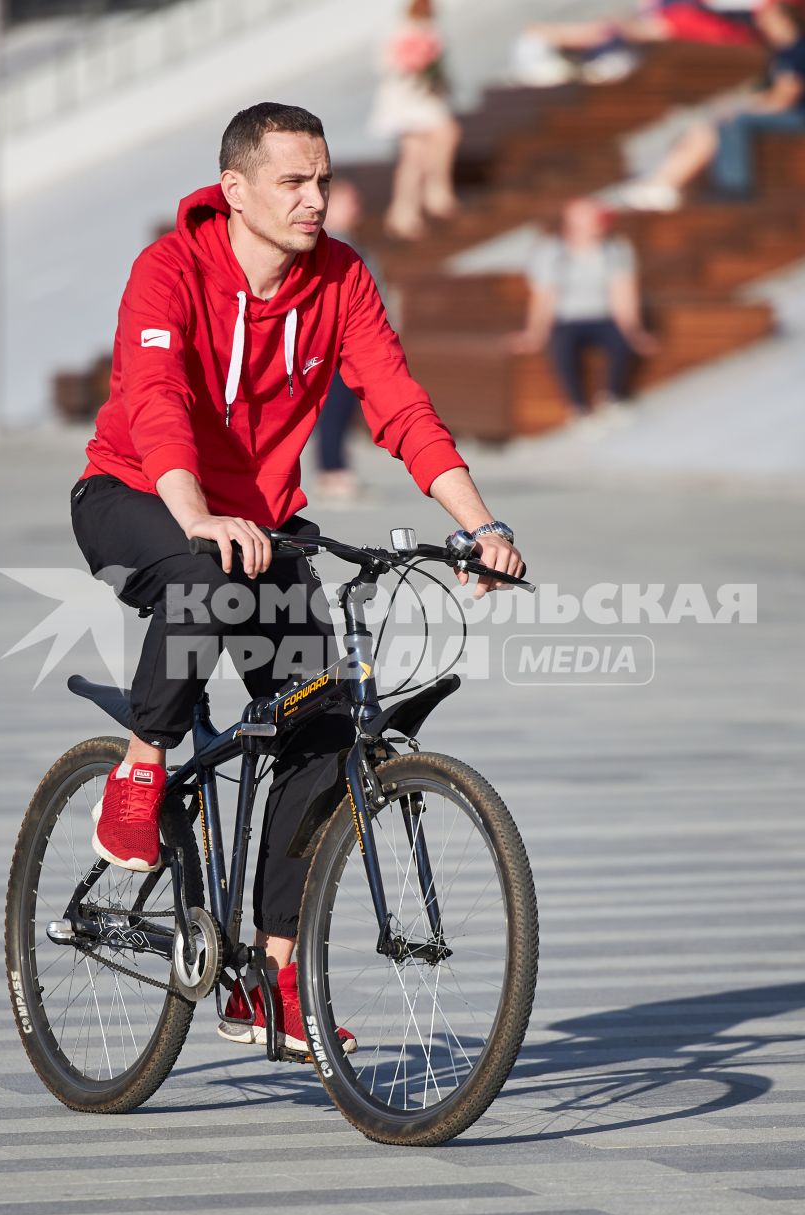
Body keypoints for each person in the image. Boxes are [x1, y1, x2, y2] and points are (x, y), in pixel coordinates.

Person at [70, 102, 524, 1054]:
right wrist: (193, 510)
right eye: (293, 183)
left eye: (322, 180)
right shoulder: (169, 270)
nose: (317, 199)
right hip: (134, 497)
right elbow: (153, 404)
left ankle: (269, 978)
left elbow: (397, 401)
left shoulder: (341, 279)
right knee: (200, 574)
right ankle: (143, 768)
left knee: (322, 722)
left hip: (260, 529)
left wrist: (477, 525)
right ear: (235, 190)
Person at [622, 1, 805, 210]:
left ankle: (734, 190)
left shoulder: (797, 49)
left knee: (735, 121)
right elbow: (768, 95)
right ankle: (667, 184)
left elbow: (786, 97)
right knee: (720, 121)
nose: (763, 24)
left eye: (767, 19)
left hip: (801, 118)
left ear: (784, 19)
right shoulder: (780, 52)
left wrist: (743, 110)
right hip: (787, 115)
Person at [509, 198, 658, 425]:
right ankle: (578, 409)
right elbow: (544, 297)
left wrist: (635, 332)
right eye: (591, 217)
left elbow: (623, 294)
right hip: (566, 319)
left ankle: (611, 398)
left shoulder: (616, 249)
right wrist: (534, 335)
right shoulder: (550, 251)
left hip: (604, 316)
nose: (599, 222)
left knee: (622, 341)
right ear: (572, 223)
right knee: (561, 347)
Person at [512, 0, 769, 87]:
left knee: (616, 27)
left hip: (695, 32)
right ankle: (556, 46)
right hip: (662, 31)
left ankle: (558, 44)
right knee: (615, 26)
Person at [371, 0, 461, 241]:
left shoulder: (420, 26)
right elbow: (390, 62)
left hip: (417, 96)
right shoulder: (405, 28)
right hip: (411, 97)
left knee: (414, 156)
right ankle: (436, 190)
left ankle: (403, 212)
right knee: (445, 133)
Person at [310, 179, 375, 503]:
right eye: (350, 202)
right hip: (336, 343)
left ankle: (335, 466)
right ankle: (331, 469)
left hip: (356, 340)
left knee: (344, 405)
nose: (357, 209)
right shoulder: (324, 244)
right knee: (333, 405)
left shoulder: (349, 241)